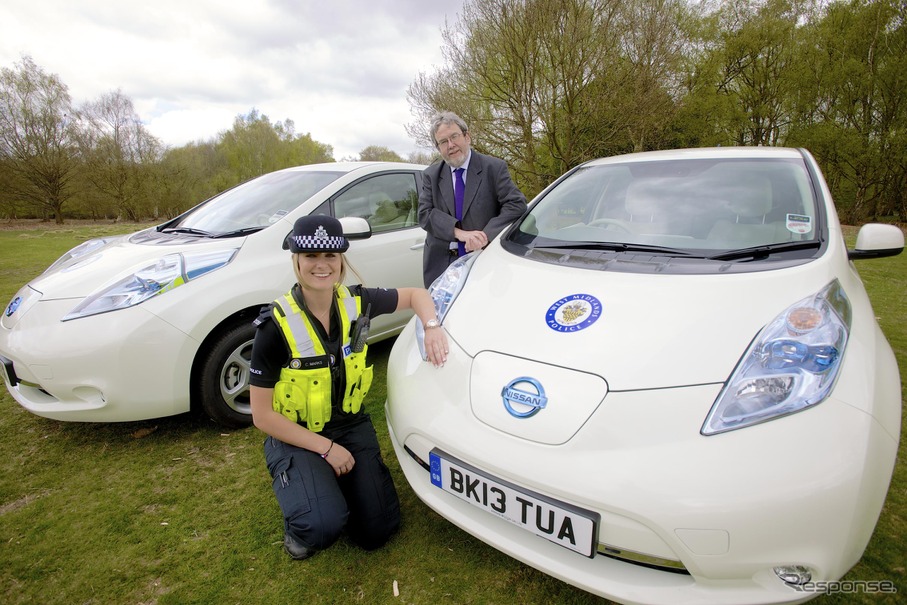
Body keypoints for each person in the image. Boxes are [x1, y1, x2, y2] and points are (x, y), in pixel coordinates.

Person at [249, 215, 448, 560]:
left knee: (378, 531)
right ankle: (305, 511)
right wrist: (326, 449)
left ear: (342, 260)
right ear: (296, 260)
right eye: (311, 256)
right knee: (321, 526)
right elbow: (263, 416)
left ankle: (330, 486)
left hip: (351, 425)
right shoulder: (274, 326)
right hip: (297, 433)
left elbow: (418, 294)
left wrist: (432, 326)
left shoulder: (358, 301)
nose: (322, 265)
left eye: (331, 256)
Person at [418, 111, 528, 287]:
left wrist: (484, 235)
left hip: (484, 261)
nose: (451, 145)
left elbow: (516, 204)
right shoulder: (431, 175)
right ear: (438, 148)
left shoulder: (493, 167)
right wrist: (460, 234)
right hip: (441, 268)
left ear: (467, 136)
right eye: (443, 142)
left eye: (454, 137)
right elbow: (425, 214)